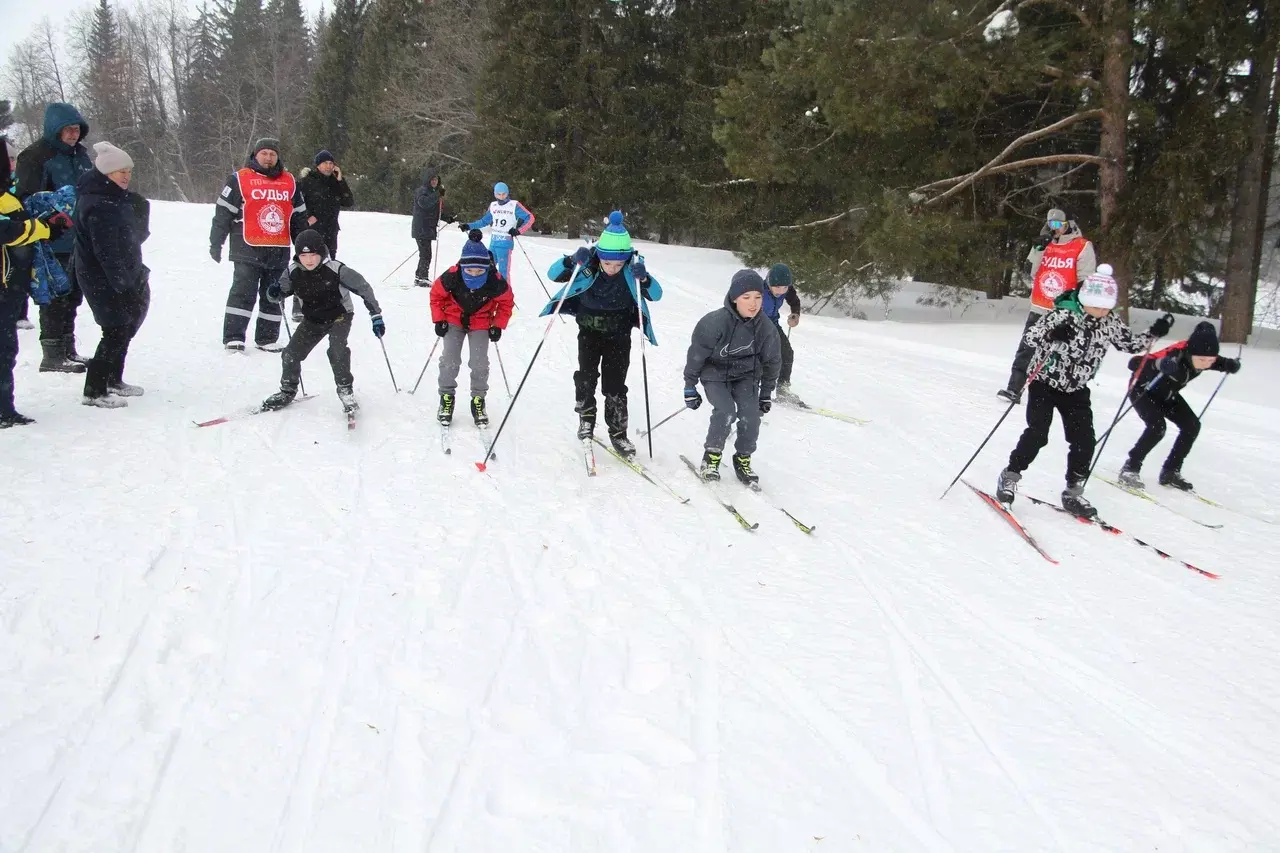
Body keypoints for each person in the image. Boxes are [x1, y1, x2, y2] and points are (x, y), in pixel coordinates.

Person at [994, 268, 1172, 518]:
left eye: (1106, 307)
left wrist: (1155, 333)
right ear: (1085, 299)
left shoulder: (1110, 322)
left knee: (1084, 441)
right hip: (1044, 382)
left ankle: (1073, 492)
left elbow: (1129, 344)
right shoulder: (1064, 314)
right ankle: (1010, 476)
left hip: (1076, 389)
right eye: (1096, 306)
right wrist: (1052, 334)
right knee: (1038, 434)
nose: (1101, 312)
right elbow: (1031, 337)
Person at [542, 211, 660, 457]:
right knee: (586, 377)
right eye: (608, 263)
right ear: (600, 257)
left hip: (619, 336)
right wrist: (572, 260)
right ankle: (586, 418)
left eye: (618, 264)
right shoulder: (588, 264)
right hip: (589, 332)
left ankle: (618, 433)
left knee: (615, 385)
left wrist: (645, 278)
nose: (612, 268)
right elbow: (553, 274)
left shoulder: (632, 269)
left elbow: (656, 294)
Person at [260, 229, 384, 415]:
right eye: (304, 255)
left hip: (339, 316)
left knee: (337, 350)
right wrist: (274, 292)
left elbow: (364, 288)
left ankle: (345, 391)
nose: (309, 260)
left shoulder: (337, 269)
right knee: (290, 354)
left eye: (313, 255)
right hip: (313, 319)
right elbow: (278, 293)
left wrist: (376, 315)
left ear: (321, 253)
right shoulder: (292, 271)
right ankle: (287, 390)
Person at [14, 102, 96, 373]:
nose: (73, 134)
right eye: (68, 129)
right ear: (55, 129)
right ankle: (52, 354)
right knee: (55, 296)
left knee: (73, 296)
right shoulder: (35, 156)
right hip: (50, 238)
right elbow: (26, 198)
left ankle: (68, 349)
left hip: (79, 237)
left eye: (76, 129)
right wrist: (50, 220)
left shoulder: (81, 155)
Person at [682, 269, 783, 486]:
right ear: (735, 298)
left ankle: (743, 458)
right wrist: (690, 386)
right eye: (746, 297)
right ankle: (712, 457)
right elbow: (696, 355)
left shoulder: (766, 328)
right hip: (715, 375)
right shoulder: (714, 322)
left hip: (745, 377)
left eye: (758, 297)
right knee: (726, 411)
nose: (753, 303)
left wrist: (765, 393)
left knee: (751, 416)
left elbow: (772, 362)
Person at [1118, 321, 1241, 492]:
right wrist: (1159, 364)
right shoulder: (1177, 353)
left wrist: (1230, 365)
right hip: (1143, 390)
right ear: (1190, 353)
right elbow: (1136, 363)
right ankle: (1130, 467)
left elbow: (1218, 362)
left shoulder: (1206, 356)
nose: (1205, 364)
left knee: (1192, 426)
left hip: (1167, 394)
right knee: (1157, 427)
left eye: (1210, 360)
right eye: (1201, 360)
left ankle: (1171, 471)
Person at [210, 138, 308, 352]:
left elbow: (299, 218)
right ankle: (234, 337)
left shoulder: (290, 181)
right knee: (243, 292)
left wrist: (303, 248)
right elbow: (223, 213)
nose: (268, 158)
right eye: (264, 153)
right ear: (255, 155)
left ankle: (267, 338)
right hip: (247, 247)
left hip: (278, 248)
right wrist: (216, 242)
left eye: (272, 154)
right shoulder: (239, 179)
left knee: (274, 293)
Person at [75, 142, 151, 408]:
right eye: (121, 171)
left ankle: (113, 379)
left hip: (122, 274)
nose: (126, 176)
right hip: (101, 278)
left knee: (125, 326)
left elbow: (131, 238)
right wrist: (122, 285)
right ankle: (94, 391)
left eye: (129, 171)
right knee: (115, 329)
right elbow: (106, 252)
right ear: (106, 173)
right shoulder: (99, 204)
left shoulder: (115, 197)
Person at [2, 136, 72, 427]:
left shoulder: (10, 193)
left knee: (6, 349)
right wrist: (41, 228)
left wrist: (49, 222)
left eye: (13, 158)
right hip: (5, 283)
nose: (13, 164)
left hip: (12, 284)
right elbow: (7, 231)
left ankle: (5, 408)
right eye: (8, 159)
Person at [998, 208, 1097, 403]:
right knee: (1027, 348)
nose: (1055, 229)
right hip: (1039, 306)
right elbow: (1031, 271)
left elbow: (1086, 280)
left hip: (1063, 310)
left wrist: (1075, 303)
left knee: (1057, 354)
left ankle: (1055, 396)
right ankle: (1014, 388)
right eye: (1051, 224)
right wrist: (1038, 249)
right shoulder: (1045, 243)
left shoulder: (1082, 246)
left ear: (1069, 225)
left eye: (1059, 225)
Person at [430, 229, 514, 426]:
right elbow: (436, 295)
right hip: (453, 319)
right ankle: (446, 397)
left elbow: (506, 303)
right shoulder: (452, 275)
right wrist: (439, 320)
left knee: (479, 363)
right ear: (463, 266)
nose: (474, 274)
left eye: (479, 271)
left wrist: (497, 325)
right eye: (469, 271)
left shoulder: (495, 280)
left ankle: (478, 399)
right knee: (450, 360)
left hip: (481, 321)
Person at [462, 181, 533, 282]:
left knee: (503, 271)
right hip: (493, 242)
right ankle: (488, 289)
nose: (501, 197)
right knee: (487, 268)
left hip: (505, 243)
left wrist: (518, 230)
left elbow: (530, 217)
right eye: (499, 194)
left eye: (504, 194)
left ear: (507, 193)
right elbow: (484, 221)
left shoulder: (514, 205)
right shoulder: (493, 205)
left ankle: (505, 291)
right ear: (495, 194)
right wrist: (468, 226)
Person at [763, 262, 802, 399]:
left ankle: (783, 389)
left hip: (772, 324)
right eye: (777, 287)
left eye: (785, 287)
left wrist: (795, 314)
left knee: (787, 353)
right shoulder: (758, 291)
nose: (781, 291)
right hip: (754, 325)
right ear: (769, 282)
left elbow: (794, 301)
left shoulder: (786, 289)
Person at [412, 168, 448, 287]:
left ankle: (419, 277)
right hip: (421, 228)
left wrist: (448, 218)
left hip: (428, 228)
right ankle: (422, 277)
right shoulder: (422, 191)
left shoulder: (433, 193)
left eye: (436, 180)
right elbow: (424, 203)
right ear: (427, 180)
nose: (434, 182)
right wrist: (437, 194)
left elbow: (435, 211)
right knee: (426, 254)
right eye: (432, 180)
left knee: (425, 253)